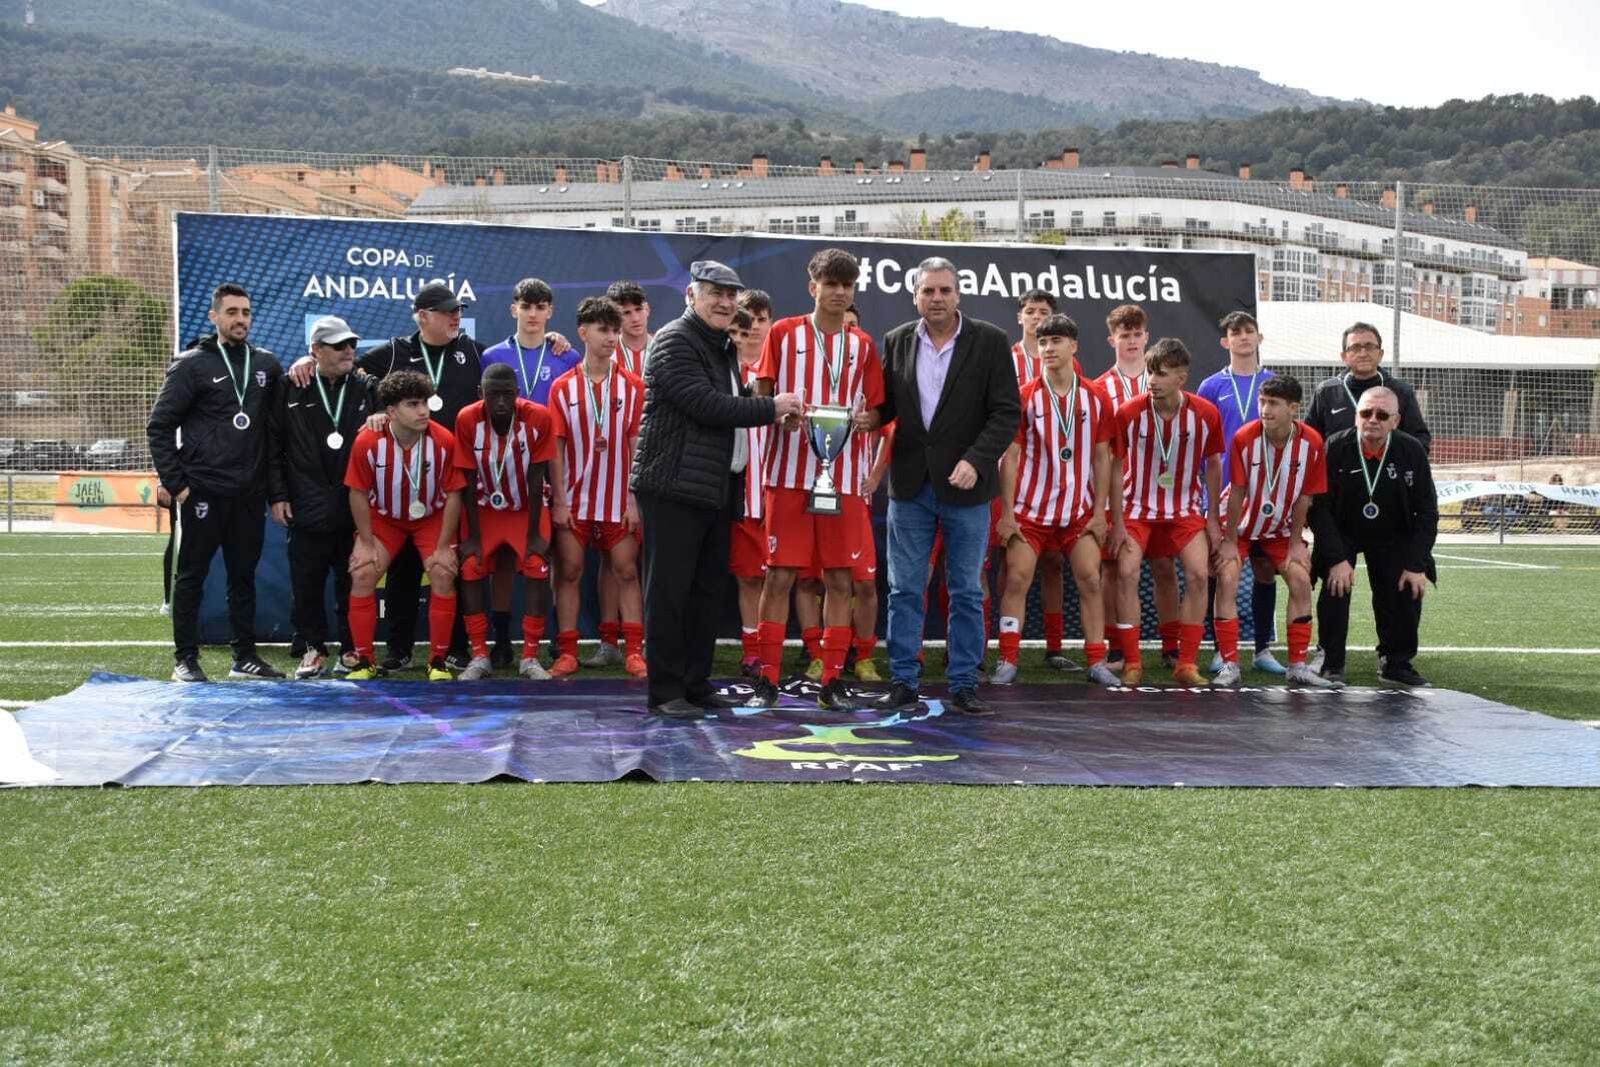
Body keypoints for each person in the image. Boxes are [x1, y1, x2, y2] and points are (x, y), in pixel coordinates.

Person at [630, 260, 803, 716]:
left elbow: (729, 401)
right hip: (672, 485)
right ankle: (666, 691)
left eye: (731, 295)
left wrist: (764, 409)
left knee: (706, 590)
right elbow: (704, 404)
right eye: (715, 293)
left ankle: (694, 680)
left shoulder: (720, 345)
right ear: (692, 295)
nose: (725, 302)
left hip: (712, 486)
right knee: (669, 592)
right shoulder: (674, 340)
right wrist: (770, 407)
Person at [875, 256, 1021, 715]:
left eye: (944, 290)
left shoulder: (991, 341)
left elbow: (1006, 413)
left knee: (965, 589)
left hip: (967, 490)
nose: (936, 299)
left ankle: (963, 683)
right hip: (911, 486)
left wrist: (977, 461)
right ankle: (903, 680)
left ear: (958, 294)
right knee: (904, 589)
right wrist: (868, 419)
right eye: (927, 291)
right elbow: (887, 406)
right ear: (915, 294)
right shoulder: (897, 340)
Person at [747, 248, 887, 711]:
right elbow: (763, 395)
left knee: (840, 578)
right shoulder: (784, 334)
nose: (839, 292)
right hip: (789, 475)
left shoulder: (862, 345)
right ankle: (766, 676)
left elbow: (878, 408)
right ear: (814, 288)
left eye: (847, 285)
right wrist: (780, 416)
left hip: (843, 478)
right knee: (780, 575)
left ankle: (831, 678)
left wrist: (866, 421)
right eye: (831, 284)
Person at [147, 282, 285, 682]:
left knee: (244, 576)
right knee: (192, 576)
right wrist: (178, 484)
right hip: (202, 492)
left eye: (245, 312)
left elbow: (277, 430)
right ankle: (185, 660)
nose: (240, 319)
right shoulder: (191, 364)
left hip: (248, 494)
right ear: (214, 317)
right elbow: (159, 426)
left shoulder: (266, 365)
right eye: (232, 312)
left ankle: (244, 657)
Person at [993, 314, 1120, 687]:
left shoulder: (1096, 397)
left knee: (1090, 581)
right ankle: (1008, 659)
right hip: (1030, 512)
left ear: (1073, 347)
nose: (1048, 348)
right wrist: (1008, 513)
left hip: (1078, 513)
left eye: (1056, 342)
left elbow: (1102, 458)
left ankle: (1096, 660)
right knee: (1016, 579)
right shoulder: (1025, 396)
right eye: (1043, 342)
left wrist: (1100, 513)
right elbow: (1010, 457)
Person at [267, 314, 376, 679]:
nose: (348, 351)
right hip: (305, 501)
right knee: (306, 582)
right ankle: (313, 648)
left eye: (351, 345)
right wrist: (278, 494)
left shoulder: (365, 386)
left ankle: (351, 648)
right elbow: (274, 445)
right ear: (315, 350)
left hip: (352, 503)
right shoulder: (290, 386)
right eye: (339, 345)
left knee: (352, 580)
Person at [1109, 338, 1224, 686]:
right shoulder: (1129, 412)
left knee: (1199, 576)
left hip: (1185, 510)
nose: (1152, 381)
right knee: (1126, 573)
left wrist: (1213, 518)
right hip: (1137, 509)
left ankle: (1185, 664)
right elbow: (1114, 468)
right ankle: (1132, 662)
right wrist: (1115, 521)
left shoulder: (1205, 414)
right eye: (1149, 373)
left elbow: (1214, 465)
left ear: (1181, 378)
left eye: (1160, 374)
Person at [478, 277, 580, 666]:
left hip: (552, 466)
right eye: (527, 306)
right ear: (513, 309)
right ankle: (502, 639)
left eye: (541, 307)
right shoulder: (492, 356)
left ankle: (554, 636)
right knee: (503, 560)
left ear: (551, 311)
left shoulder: (566, 356)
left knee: (550, 557)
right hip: (503, 472)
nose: (533, 314)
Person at [1308, 386, 1437, 687]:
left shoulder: (1411, 451)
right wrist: (1337, 558)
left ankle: (1396, 662)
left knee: (1407, 585)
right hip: (1344, 531)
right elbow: (1319, 509)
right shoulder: (1334, 447)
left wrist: (1417, 563)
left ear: (1396, 420)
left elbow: (1427, 511)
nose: (1373, 420)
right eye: (1366, 413)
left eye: (1382, 415)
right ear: (1356, 417)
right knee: (1335, 585)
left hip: (1394, 533)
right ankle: (1332, 661)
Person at [1215, 376, 1339, 687]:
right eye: (1262, 402)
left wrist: (1296, 543)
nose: (1265, 409)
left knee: (1299, 579)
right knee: (1228, 577)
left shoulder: (1312, 442)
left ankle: (1297, 665)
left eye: (1273, 403)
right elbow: (1237, 493)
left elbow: (1305, 498)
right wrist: (1229, 540)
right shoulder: (1245, 437)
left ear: (1293, 408)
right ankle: (1230, 664)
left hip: (1281, 529)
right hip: (1240, 525)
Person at [343, 370, 466, 680]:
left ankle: (437, 661)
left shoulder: (444, 440)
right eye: (413, 404)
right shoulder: (368, 441)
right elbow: (357, 493)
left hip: (432, 518)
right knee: (362, 571)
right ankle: (364, 662)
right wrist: (367, 541)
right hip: (385, 519)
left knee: (442, 570)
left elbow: (453, 496)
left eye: (424, 402)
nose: (423, 410)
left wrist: (442, 547)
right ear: (391, 411)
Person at [548, 296, 647, 678]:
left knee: (626, 571)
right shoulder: (562, 387)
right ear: (583, 332)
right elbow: (555, 447)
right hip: (575, 498)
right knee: (570, 571)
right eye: (604, 330)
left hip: (618, 499)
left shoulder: (634, 387)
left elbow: (638, 446)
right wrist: (559, 500)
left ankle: (634, 651)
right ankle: (568, 652)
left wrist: (633, 500)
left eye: (615, 331)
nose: (611, 338)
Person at [453, 364, 557, 680]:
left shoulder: (538, 417)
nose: (500, 402)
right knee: (470, 566)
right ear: (480, 394)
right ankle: (480, 655)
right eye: (492, 394)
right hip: (484, 509)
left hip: (526, 508)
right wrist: (471, 534)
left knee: (537, 564)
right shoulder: (467, 418)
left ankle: (529, 657)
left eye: (507, 394)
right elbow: (468, 479)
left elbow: (538, 478)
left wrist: (535, 534)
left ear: (518, 394)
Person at [1196, 310, 1285, 675]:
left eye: (1250, 331)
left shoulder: (1276, 383)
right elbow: (1204, 448)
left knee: (1265, 569)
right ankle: (1221, 650)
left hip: (1267, 495)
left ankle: (1263, 649)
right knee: (1221, 571)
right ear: (1225, 341)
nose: (1244, 337)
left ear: (1259, 338)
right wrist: (1208, 500)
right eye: (1236, 332)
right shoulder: (1210, 387)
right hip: (1223, 495)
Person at [1095, 304, 1182, 671]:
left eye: (1136, 334)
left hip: (1160, 497)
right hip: (1117, 498)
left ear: (1146, 337)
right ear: (1112, 339)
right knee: (1112, 571)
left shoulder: (1162, 380)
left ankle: (1170, 645)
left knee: (1164, 568)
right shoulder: (1100, 388)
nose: (1131, 341)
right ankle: (1116, 647)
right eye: (1124, 334)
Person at [1010, 288, 1081, 671]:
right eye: (1030, 311)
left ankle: (1054, 647)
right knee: (1009, 569)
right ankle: (1005, 650)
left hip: (1058, 485)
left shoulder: (1069, 364)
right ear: (1020, 317)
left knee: (1054, 564)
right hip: (1013, 480)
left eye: (1044, 311)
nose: (1037, 317)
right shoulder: (1007, 359)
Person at [1303, 322, 1431, 453]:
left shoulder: (1401, 391)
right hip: (1338, 472)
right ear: (1344, 356)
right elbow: (1309, 440)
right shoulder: (1326, 392)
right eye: (1355, 348)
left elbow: (1420, 440)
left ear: (1380, 354)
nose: (1363, 354)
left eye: (1369, 347)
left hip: (1386, 471)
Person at [728, 307, 771, 678]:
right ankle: (752, 651)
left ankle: (773, 650)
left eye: (760, 321)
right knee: (746, 578)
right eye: (746, 324)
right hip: (736, 499)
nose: (753, 329)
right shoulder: (722, 374)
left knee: (783, 578)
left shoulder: (781, 373)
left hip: (776, 495)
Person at [607, 279, 654, 378]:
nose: (635, 319)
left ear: (647, 309)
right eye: (626, 313)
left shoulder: (664, 349)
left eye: (638, 309)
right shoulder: (605, 353)